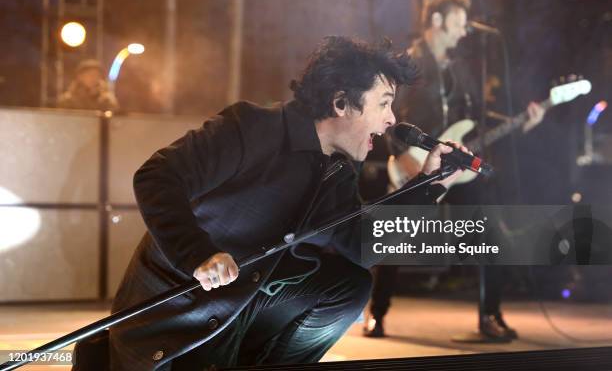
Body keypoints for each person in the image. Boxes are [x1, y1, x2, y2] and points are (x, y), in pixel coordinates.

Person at [73, 36, 466, 371]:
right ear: (342, 103)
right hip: (178, 319)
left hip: (242, 308)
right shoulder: (252, 126)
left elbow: (359, 245)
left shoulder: (336, 170)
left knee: (348, 284)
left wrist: (429, 185)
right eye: (383, 103)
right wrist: (198, 254)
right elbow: (157, 176)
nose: (390, 120)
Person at [363, 0, 545, 341]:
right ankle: (378, 310)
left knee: (490, 232)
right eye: (459, 23)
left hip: (455, 167)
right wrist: (401, 154)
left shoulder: (462, 68)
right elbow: (386, 115)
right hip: (416, 162)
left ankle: (490, 314)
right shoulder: (408, 65)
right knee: (397, 235)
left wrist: (521, 121)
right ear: (437, 22)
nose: (464, 32)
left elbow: (475, 117)